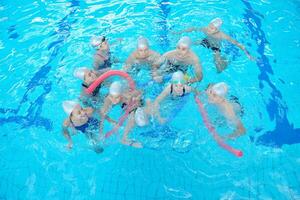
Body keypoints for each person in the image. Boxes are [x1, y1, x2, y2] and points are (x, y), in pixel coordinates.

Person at [175, 18, 255, 72]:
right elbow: (193, 28)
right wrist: (179, 32)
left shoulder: (222, 35)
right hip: (206, 41)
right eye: (209, 26)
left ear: (217, 30)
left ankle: (228, 61)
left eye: (212, 28)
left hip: (215, 47)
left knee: (218, 67)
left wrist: (248, 54)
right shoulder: (206, 29)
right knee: (191, 44)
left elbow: (237, 43)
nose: (209, 29)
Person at [99, 81, 144, 148]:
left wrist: (137, 99)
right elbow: (102, 115)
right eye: (112, 96)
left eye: (117, 97)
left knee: (132, 115)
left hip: (128, 103)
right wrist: (110, 122)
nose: (114, 100)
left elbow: (141, 92)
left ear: (122, 95)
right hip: (122, 102)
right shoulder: (108, 99)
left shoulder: (127, 95)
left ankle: (124, 138)